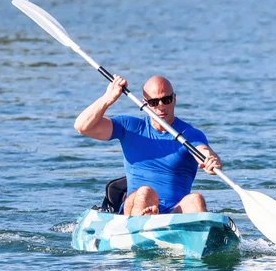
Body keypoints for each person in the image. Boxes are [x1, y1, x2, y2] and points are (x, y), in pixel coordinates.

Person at [74, 74, 222, 216]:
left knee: (196, 199)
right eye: (154, 102)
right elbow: (82, 126)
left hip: (175, 213)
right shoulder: (129, 127)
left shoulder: (189, 134)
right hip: (135, 206)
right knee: (145, 192)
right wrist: (108, 98)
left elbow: (204, 152)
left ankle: (192, 236)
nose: (161, 106)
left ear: (174, 99)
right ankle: (143, 225)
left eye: (166, 99)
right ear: (144, 103)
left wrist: (211, 160)